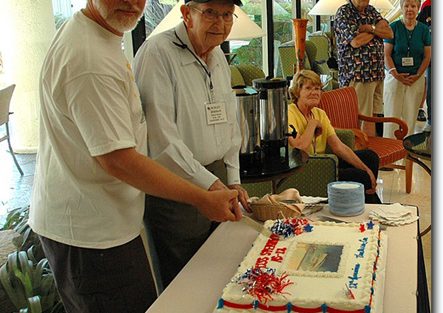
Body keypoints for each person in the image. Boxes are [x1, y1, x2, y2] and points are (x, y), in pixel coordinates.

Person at [29, 1, 242, 312]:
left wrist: (225, 181)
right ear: (187, 14)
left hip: (107, 224)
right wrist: (200, 196)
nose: (131, 2)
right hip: (92, 234)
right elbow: (119, 159)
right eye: (210, 12)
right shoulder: (90, 57)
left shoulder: (100, 37)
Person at [133, 0, 249, 288]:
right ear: (186, 14)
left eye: (226, 15)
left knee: (222, 275)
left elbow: (229, 125)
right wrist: (210, 185)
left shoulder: (218, 56)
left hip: (216, 179)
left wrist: (232, 179)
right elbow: (161, 140)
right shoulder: (157, 53)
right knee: (186, 284)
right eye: (210, 12)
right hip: (177, 191)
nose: (220, 24)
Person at [288, 70, 381, 204]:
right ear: (297, 91)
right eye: (308, 88)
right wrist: (312, 125)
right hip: (307, 168)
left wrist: (366, 168)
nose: (314, 92)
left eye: (317, 88)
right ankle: (370, 207)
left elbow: (338, 146)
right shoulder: (290, 112)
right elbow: (299, 147)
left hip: (324, 163)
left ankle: (365, 202)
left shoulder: (320, 113)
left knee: (370, 157)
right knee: (360, 176)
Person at [334, 0, 393, 137]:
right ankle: (359, 153)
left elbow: (389, 33)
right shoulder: (344, 13)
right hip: (359, 73)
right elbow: (356, 42)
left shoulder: (371, 10)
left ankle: (371, 153)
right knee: (359, 118)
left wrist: (370, 29)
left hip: (377, 72)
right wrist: (377, 30)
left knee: (372, 116)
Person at [383, 0, 431, 138]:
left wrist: (417, 75)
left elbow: (427, 56)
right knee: (392, 117)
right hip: (394, 77)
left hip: (415, 79)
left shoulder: (423, 30)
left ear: (418, 9)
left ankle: (406, 155)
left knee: (410, 117)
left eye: (413, 6)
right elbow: (386, 54)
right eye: (406, 6)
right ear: (401, 8)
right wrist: (396, 74)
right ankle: (390, 152)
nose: (410, 9)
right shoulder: (393, 27)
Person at [417, 0, 431, 131]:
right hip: (430, 54)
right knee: (428, 84)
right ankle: (429, 117)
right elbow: (419, 28)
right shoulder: (428, 5)